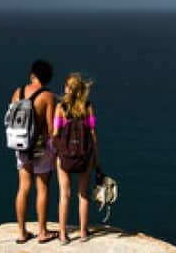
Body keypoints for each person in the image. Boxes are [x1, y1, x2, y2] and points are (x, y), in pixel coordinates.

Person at [11, 59, 59, 244]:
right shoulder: (47, 96)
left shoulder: (18, 92)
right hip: (39, 143)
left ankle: (22, 233)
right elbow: (49, 128)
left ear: (33, 75)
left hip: (20, 143)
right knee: (43, 187)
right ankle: (42, 232)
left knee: (23, 187)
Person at [53, 72, 99, 243]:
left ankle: (63, 235)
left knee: (64, 195)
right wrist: (95, 158)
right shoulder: (88, 107)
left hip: (64, 157)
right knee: (83, 195)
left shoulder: (60, 108)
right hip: (84, 156)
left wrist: (57, 151)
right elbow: (93, 133)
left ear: (68, 88)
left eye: (66, 85)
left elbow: (55, 133)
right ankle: (82, 233)